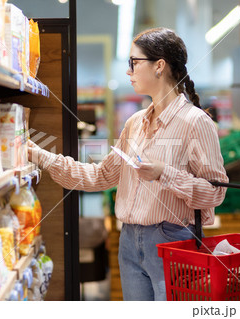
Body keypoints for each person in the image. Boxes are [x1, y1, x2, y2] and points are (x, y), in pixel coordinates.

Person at [28, 27, 228, 301]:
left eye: (133, 63)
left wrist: (164, 174)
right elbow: (100, 176)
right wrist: (40, 156)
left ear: (159, 66)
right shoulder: (135, 123)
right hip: (129, 241)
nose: (128, 71)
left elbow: (216, 192)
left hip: (172, 240)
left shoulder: (196, 123)